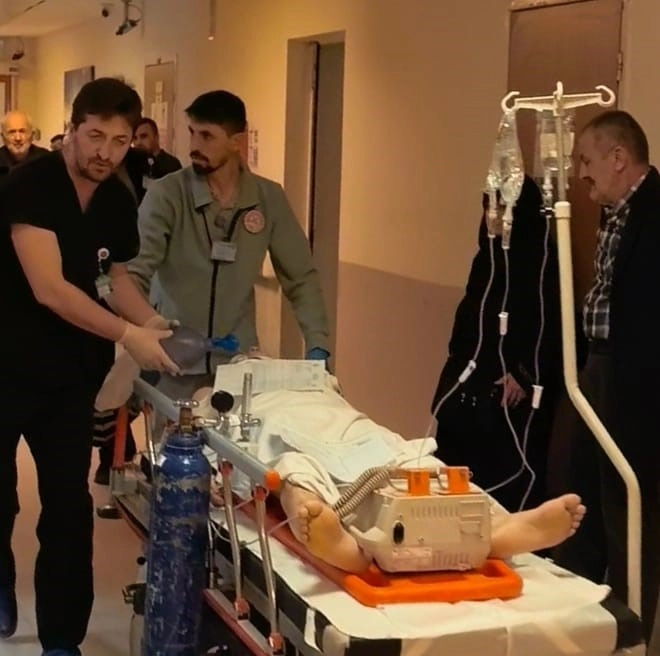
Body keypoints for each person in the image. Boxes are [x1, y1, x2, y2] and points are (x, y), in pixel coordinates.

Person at [96, 355, 586, 575]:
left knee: (411, 459)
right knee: (296, 471)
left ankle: (501, 530)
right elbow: (206, 445)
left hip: (345, 426)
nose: (256, 357)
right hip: (278, 430)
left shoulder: (316, 384)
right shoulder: (217, 398)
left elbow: (339, 399)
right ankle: (340, 542)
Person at [0, 77, 179, 656]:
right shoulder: (30, 185)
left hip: (68, 379)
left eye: (120, 141)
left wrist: (150, 322)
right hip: (5, 367)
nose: (106, 151)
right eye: (96, 136)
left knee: (68, 513)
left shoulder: (117, 199)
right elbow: (50, 288)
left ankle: (61, 641)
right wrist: (127, 334)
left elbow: (113, 276)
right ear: (71, 130)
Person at [128, 90, 330, 402]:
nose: (194, 146)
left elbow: (301, 277)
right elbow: (134, 272)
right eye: (192, 133)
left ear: (237, 141)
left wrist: (317, 343)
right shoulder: (168, 195)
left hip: (237, 366)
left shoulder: (267, 199)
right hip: (174, 361)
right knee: (176, 433)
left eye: (207, 136)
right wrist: (145, 330)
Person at [548, 110, 660, 642]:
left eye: (587, 161)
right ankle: (580, 617)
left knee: (626, 506)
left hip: (633, 375)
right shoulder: (614, 212)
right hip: (594, 365)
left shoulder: (654, 212)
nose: (582, 175)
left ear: (619, 158)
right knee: (576, 489)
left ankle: (629, 629)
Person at [431, 175, 562, 512]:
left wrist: (524, 373)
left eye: (503, 208)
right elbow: (471, 317)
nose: (495, 216)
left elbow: (548, 327)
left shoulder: (540, 262)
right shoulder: (487, 258)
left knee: (499, 488)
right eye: (490, 207)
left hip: (509, 393)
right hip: (470, 381)